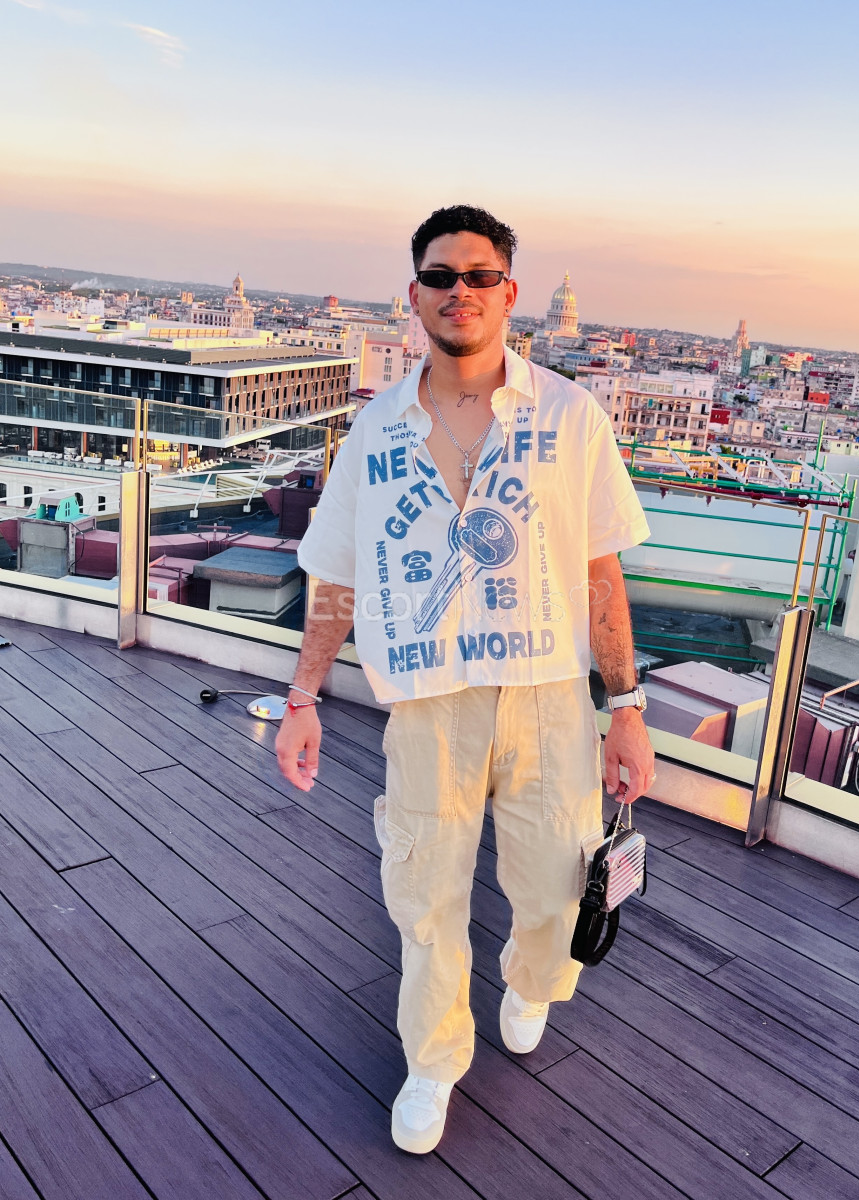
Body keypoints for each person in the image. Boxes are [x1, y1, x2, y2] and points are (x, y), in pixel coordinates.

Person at [276, 205, 654, 1154]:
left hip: (546, 696)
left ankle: (531, 981)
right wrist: (302, 697)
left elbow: (600, 572)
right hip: (428, 699)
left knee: (557, 889)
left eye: (479, 276)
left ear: (509, 293)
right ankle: (434, 1058)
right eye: (441, 276)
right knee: (424, 896)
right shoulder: (374, 432)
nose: (460, 292)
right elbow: (336, 576)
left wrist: (626, 708)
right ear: (414, 295)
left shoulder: (569, 415)